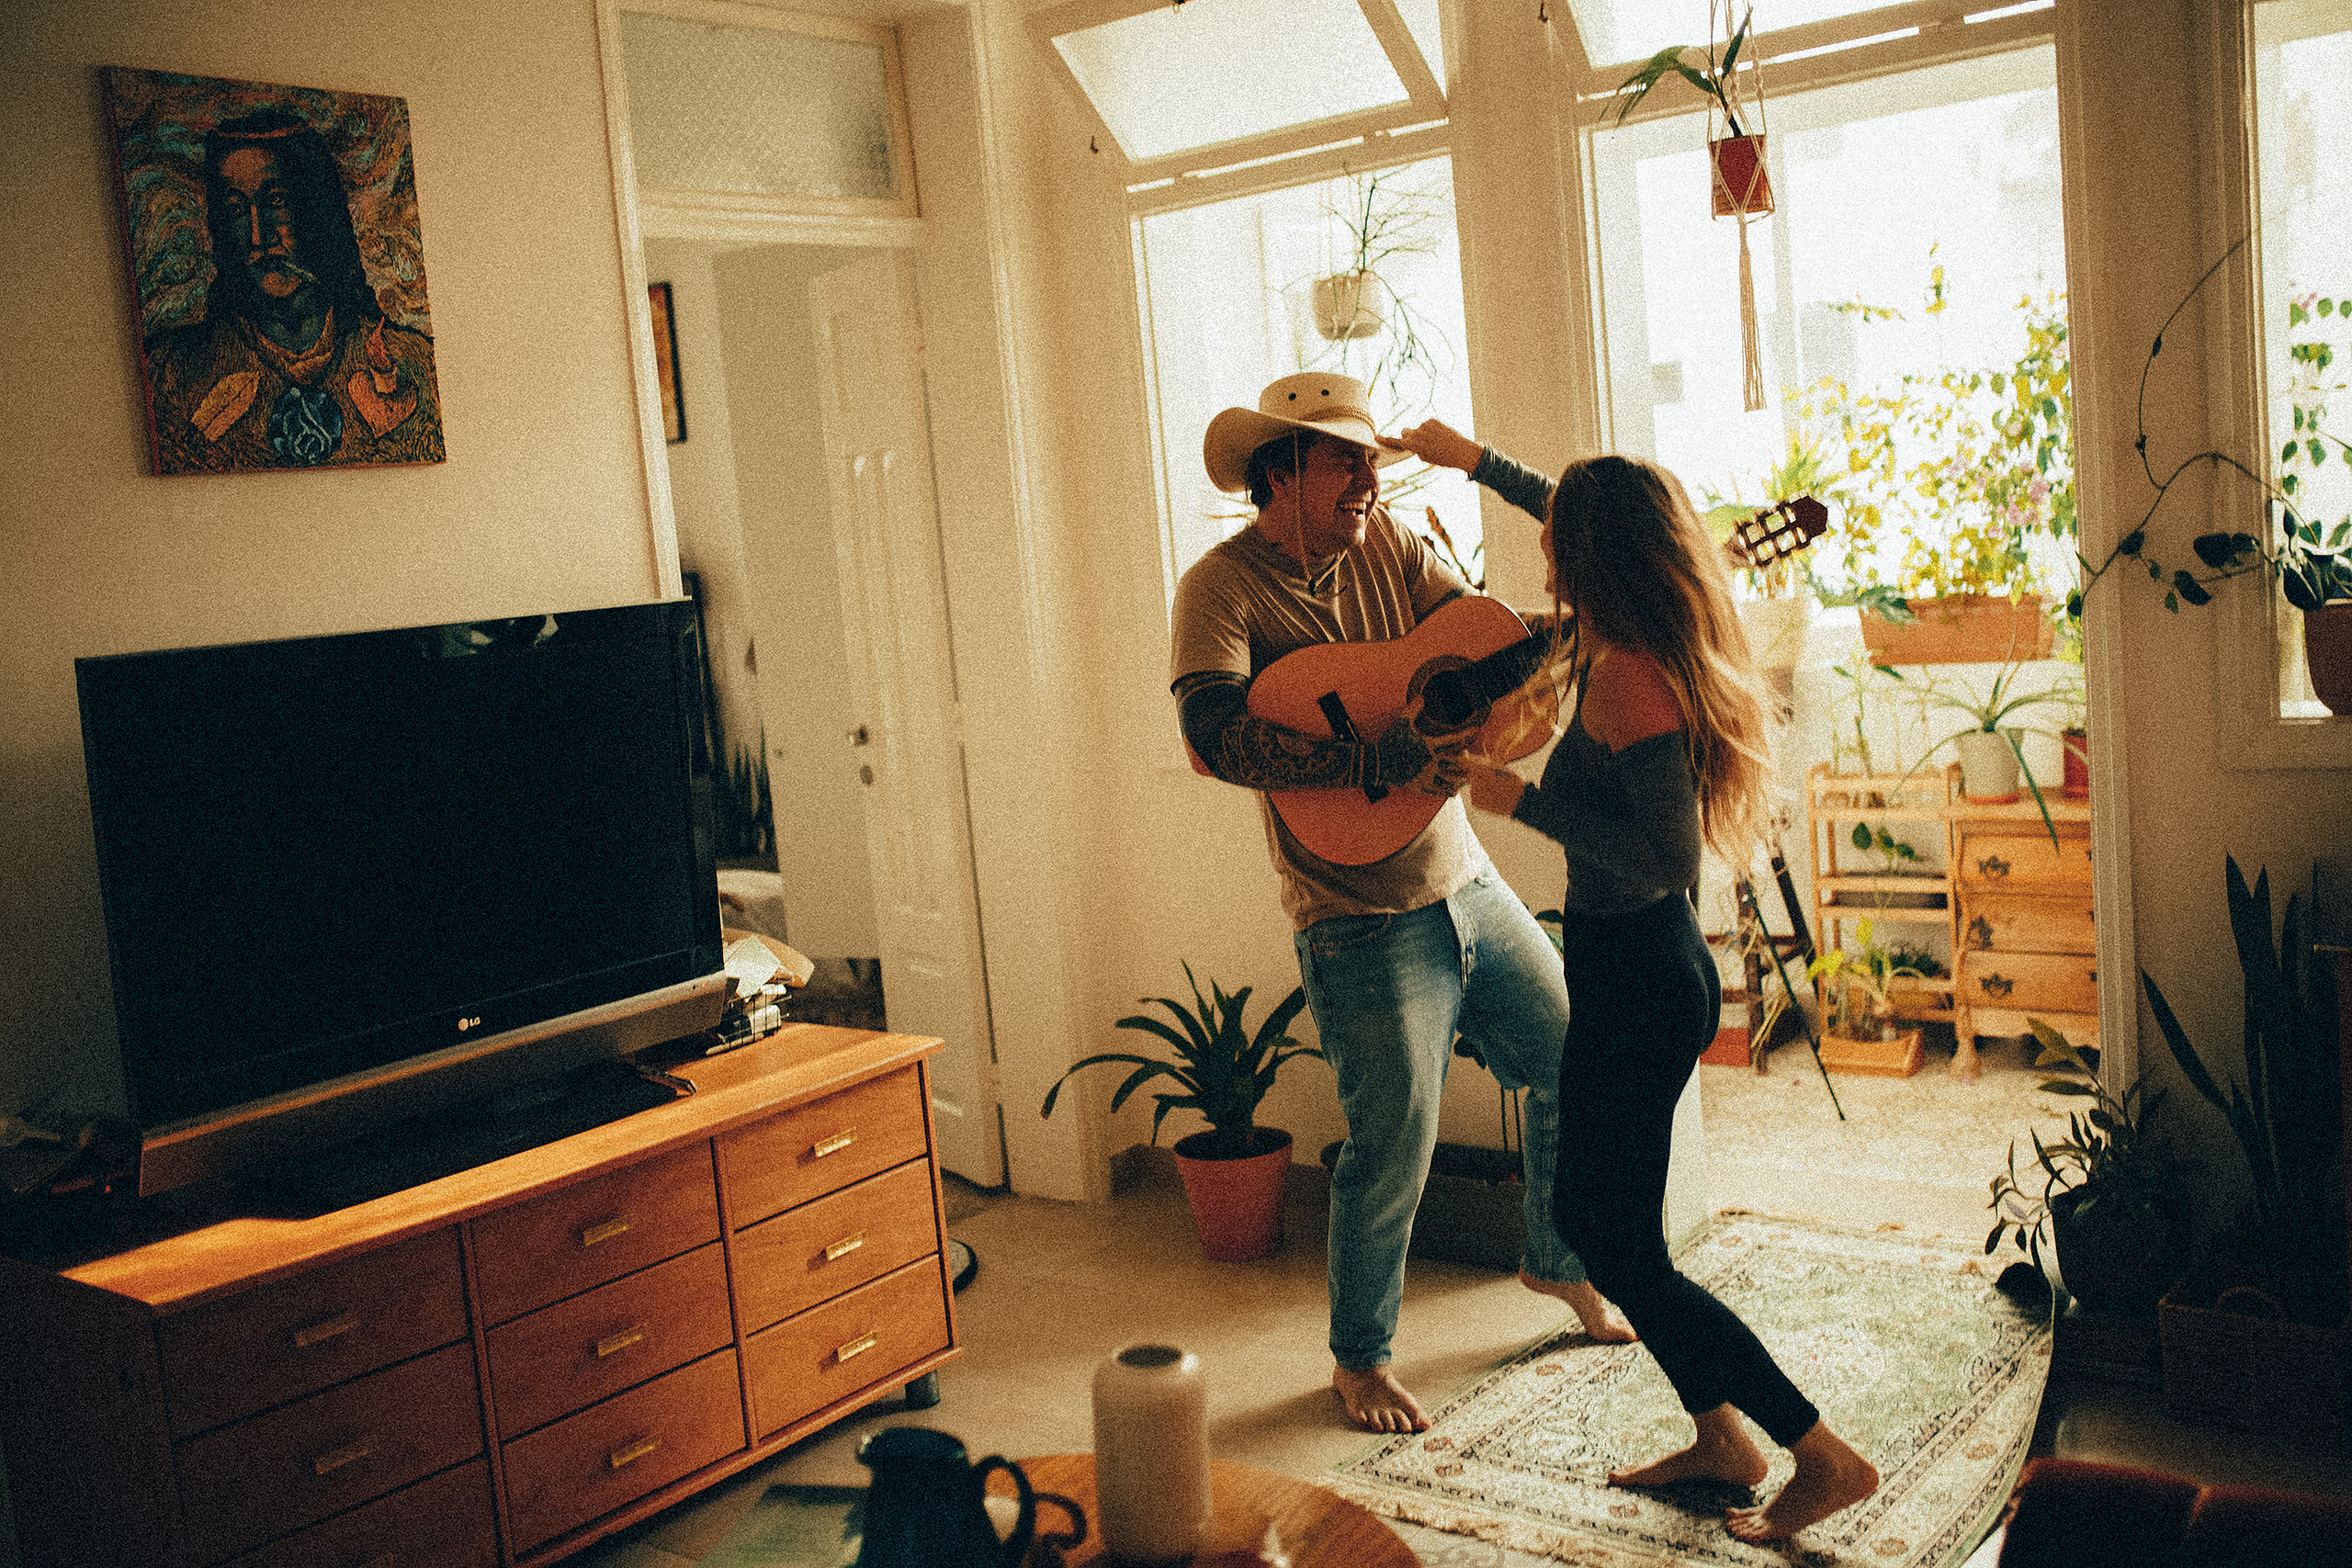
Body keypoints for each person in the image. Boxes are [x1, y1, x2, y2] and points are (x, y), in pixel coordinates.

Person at [1388, 417, 1881, 1543]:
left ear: (1592, 559)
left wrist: (1520, 803)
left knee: (1619, 1247)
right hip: (1630, 972)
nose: (1543, 554)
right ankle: (1720, 1439)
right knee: (1599, 1223)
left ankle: (1819, 1453)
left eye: (1558, 540)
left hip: (1643, 977)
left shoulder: (1629, 681)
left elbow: (1662, 859)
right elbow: (1576, 500)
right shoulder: (1621, 637)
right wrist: (1475, 464)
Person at [1170, 374, 1632, 1438]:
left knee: (1573, 1054)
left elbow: (1469, 641)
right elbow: (1214, 734)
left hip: (1462, 876)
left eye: (1370, 458)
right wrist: (1361, 754)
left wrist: (1570, 633)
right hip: (1350, 910)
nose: (1369, 478)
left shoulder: (1387, 548)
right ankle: (1360, 1360)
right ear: (1278, 471)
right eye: (1346, 459)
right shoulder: (1221, 591)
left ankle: (1556, 1265)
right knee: (1396, 1139)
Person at [141, 107, 443, 473]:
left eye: (276, 202)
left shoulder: (418, 365)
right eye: (236, 209)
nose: (259, 237)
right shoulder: (169, 377)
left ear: (319, 210)